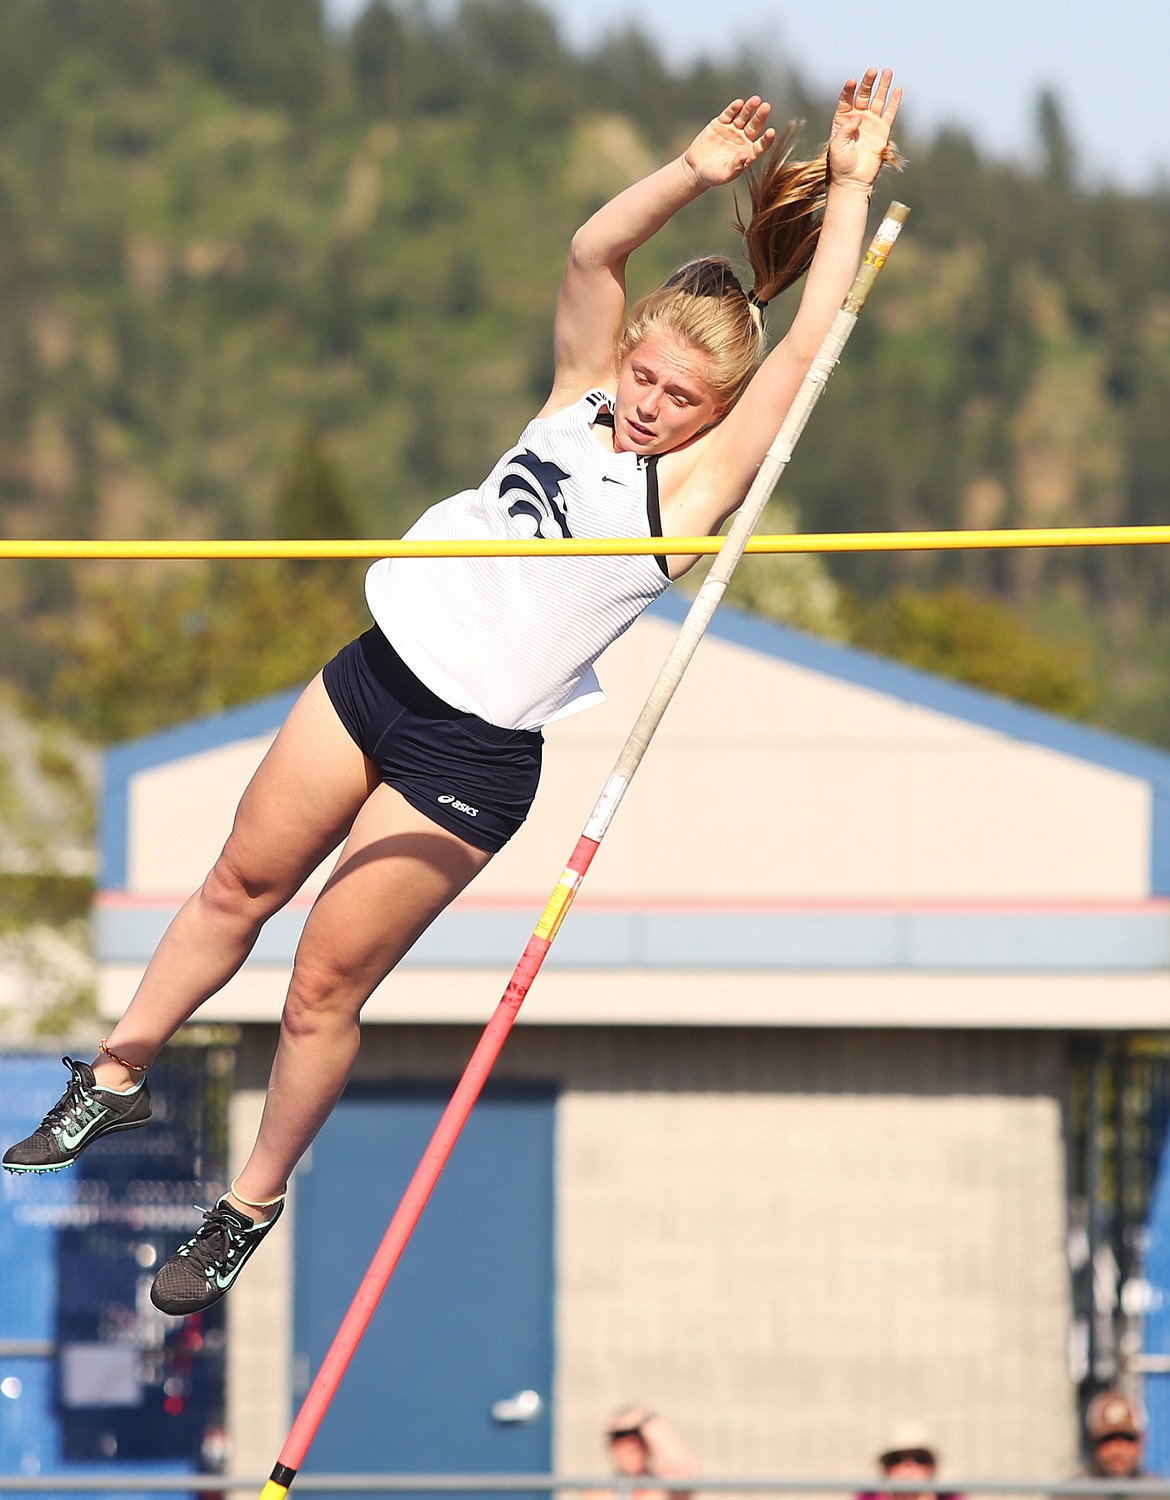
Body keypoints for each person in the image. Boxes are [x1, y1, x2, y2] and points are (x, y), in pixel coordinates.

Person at [3, 68, 902, 1315]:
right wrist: (692, 175)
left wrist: (850, 183)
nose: (647, 406)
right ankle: (114, 1072)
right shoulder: (579, 398)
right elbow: (594, 249)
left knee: (322, 985)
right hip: (378, 672)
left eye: (679, 400)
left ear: (719, 415)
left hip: (467, 757)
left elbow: (808, 347)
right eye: (645, 377)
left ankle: (247, 1205)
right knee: (235, 885)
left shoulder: (688, 496)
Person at [583, 1406, 696, 1500]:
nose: (631, 1443)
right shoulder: (601, 1494)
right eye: (621, 1436)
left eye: (638, 1435)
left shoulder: (663, 1490)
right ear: (612, 1447)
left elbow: (684, 1471)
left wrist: (648, 1420)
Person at [856, 1425, 960, 1500]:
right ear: (886, 1467)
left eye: (920, 1459)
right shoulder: (868, 1497)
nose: (908, 1466)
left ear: (932, 1466)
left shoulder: (950, 1497)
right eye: (896, 1459)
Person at [1082, 1389, 1146, 1481]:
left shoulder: (1160, 1493)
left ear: (1141, 1440)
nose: (1117, 1450)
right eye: (1108, 1439)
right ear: (1092, 1442)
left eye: (1127, 1438)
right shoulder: (1070, 1493)